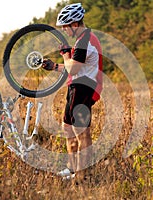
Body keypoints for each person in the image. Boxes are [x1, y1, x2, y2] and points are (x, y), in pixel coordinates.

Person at [42, 3, 103, 179]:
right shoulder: (83, 39)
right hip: (77, 87)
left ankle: (83, 176)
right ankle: (72, 168)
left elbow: (74, 69)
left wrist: (65, 54)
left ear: (75, 24)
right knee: (68, 129)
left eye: (65, 26)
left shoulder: (86, 40)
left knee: (81, 132)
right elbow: (74, 67)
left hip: (83, 88)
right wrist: (54, 66)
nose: (63, 29)